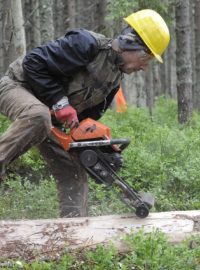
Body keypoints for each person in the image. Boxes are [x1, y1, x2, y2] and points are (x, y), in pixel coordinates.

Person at [0, 9, 170, 217]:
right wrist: (60, 103)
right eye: (147, 58)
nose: (144, 67)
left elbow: (84, 119)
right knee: (38, 115)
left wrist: (99, 145)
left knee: (74, 171)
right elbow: (33, 63)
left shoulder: (114, 79)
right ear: (132, 44)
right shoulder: (86, 44)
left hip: (49, 117)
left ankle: (72, 233)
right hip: (17, 87)